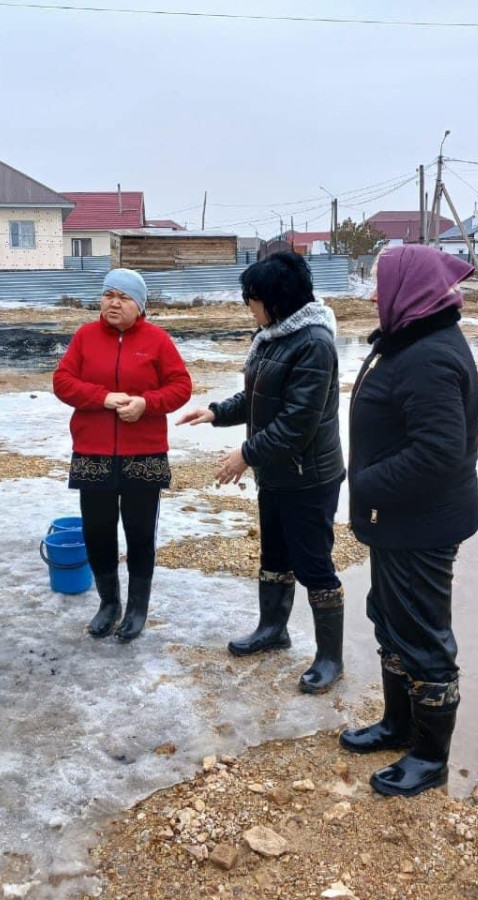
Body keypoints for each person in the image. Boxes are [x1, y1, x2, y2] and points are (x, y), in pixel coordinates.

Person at [338, 244, 478, 798]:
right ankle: (399, 725)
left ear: (409, 291)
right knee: (391, 619)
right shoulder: (412, 340)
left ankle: (430, 756)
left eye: (381, 284)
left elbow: (440, 453)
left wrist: (364, 482)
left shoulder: (428, 357)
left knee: (423, 635)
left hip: (422, 524)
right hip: (398, 521)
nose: (374, 295)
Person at [177, 251, 345, 693]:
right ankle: (273, 630)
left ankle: (331, 657)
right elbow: (258, 399)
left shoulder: (314, 343)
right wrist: (215, 412)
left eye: (252, 298)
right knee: (274, 556)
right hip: (277, 474)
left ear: (278, 298)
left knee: (314, 564)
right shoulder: (273, 335)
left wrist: (246, 454)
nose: (248, 305)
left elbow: (296, 423)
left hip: (309, 476)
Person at [52, 269, 192, 642]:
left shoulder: (157, 340)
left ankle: (136, 608)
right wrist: (101, 397)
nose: (114, 303)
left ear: (140, 305)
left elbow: (181, 386)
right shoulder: (85, 337)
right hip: (93, 452)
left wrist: (147, 404)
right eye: (108, 294)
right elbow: (62, 382)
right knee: (97, 531)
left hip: (143, 453)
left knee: (140, 532)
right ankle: (108, 603)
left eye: (124, 297)